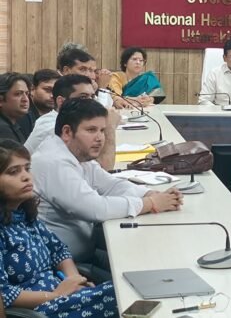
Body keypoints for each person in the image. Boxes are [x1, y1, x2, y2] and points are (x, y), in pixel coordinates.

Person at [31, 98, 184, 276]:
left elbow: (110, 184)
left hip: (85, 252)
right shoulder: (54, 162)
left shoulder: (76, 153)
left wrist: (150, 193)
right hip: (62, 268)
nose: (99, 138)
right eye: (91, 130)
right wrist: (150, 203)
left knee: (146, 264)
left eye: (102, 130)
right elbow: (95, 209)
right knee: (137, 273)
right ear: (67, 132)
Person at [0, 139, 118, 317]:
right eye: (13, 172)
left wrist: (74, 280)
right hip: (42, 309)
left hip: (63, 296)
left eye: (27, 168)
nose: (26, 177)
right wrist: (57, 295)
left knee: (128, 289)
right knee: (123, 297)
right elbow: (4, 294)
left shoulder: (24, 217)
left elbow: (59, 250)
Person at [17, 69, 61, 139]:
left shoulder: (59, 114)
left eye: (56, 91)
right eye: (47, 90)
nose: (52, 95)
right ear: (32, 89)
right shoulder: (22, 115)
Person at [0, 72, 31, 143]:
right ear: (1, 100)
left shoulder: (14, 123)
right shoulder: (3, 129)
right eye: (18, 94)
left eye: (27, 94)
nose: (25, 99)